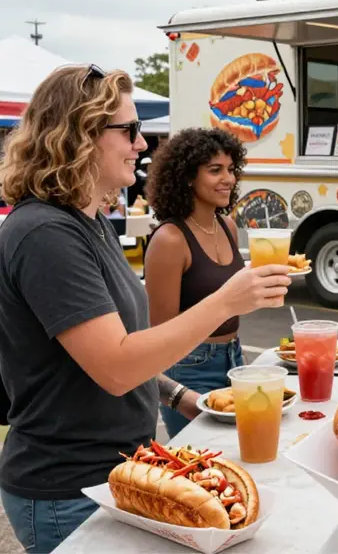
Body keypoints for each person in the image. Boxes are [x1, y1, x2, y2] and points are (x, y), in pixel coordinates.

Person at [0, 65, 290, 554]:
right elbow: (115, 366)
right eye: (130, 131)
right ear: (80, 133)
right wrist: (226, 300)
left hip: (119, 472)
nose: (142, 145)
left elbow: (110, 350)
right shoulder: (46, 234)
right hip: (68, 489)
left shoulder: (87, 223)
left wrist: (183, 398)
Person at [144, 127, 249, 438]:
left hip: (235, 357)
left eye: (231, 169)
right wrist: (173, 393)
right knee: (201, 460)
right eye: (215, 170)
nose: (228, 179)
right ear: (188, 177)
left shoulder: (227, 225)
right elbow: (161, 334)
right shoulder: (170, 239)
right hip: (190, 368)